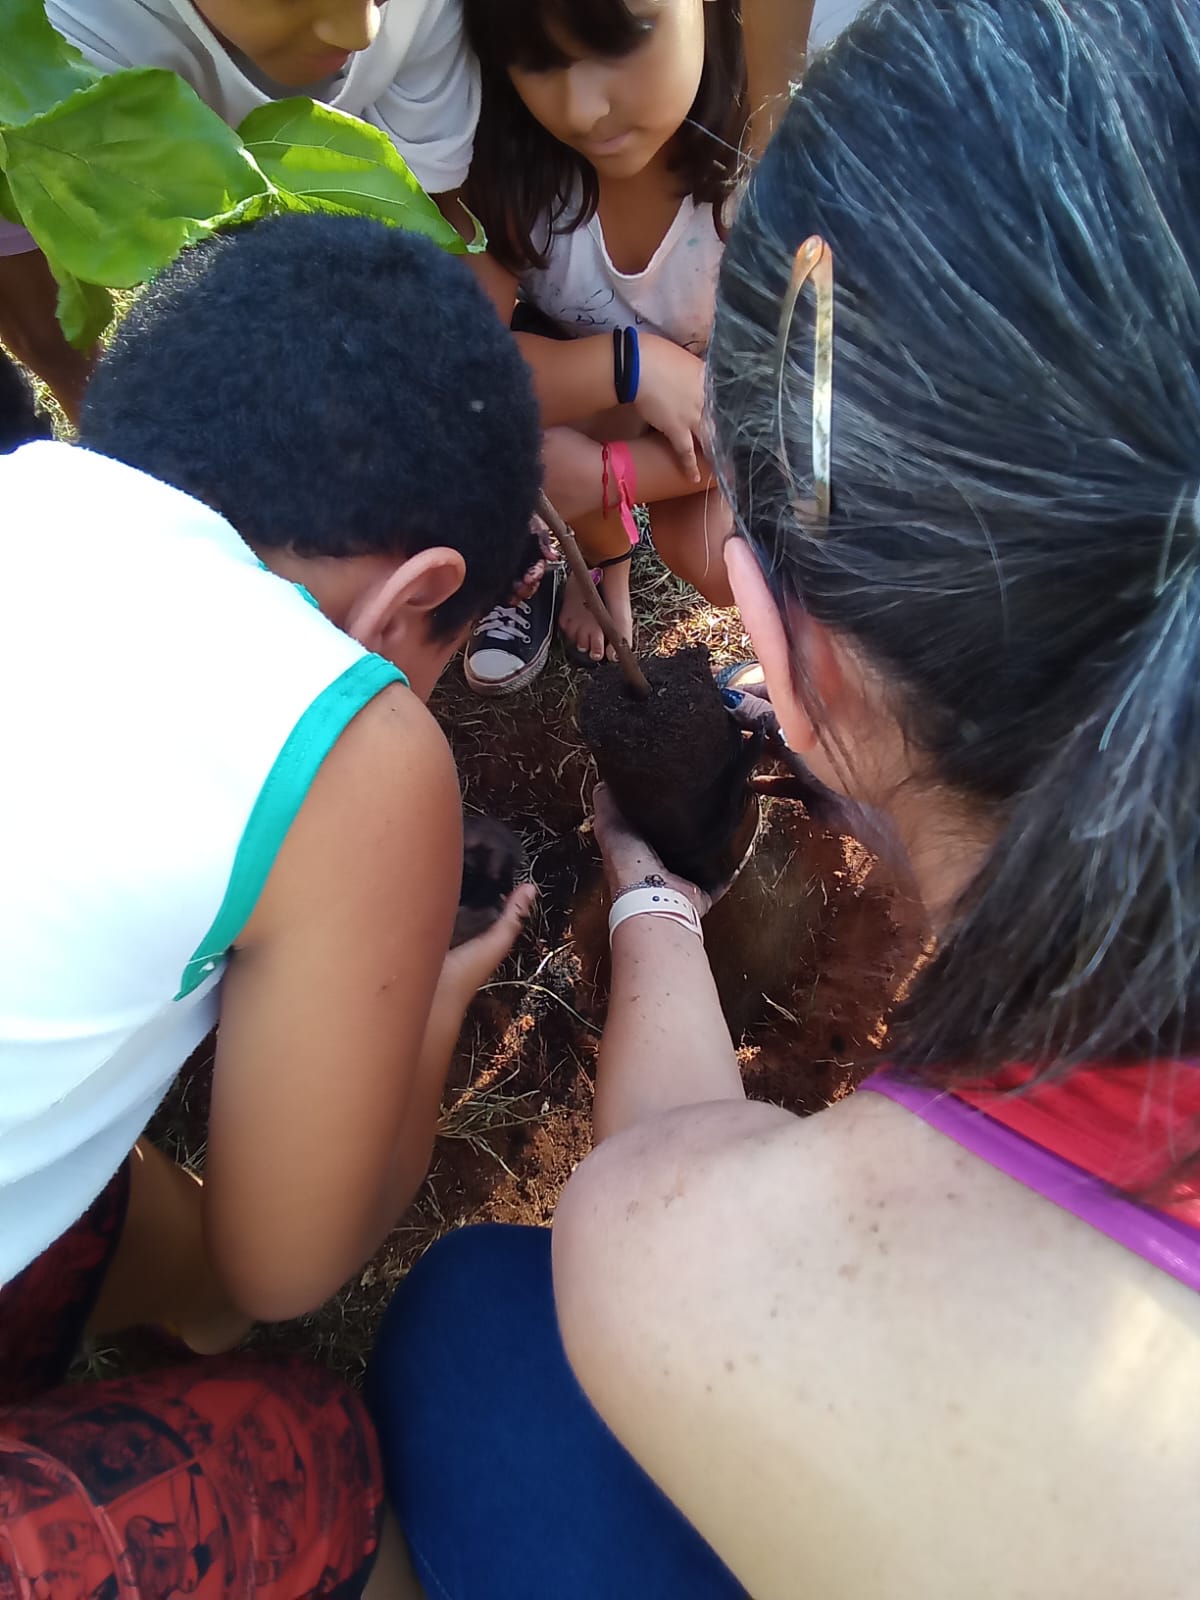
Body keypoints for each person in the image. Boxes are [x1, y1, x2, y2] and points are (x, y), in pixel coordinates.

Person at [366, 1, 1200, 1594]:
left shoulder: (727, 1284)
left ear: (782, 651)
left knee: (474, 1337)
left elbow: (661, 1195)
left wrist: (647, 894)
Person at [0, 211, 540, 1597]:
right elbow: (289, 1267)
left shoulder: (27, 494)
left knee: (106, 1201)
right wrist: (429, 1001)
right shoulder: (348, 734)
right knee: (310, 1458)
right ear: (416, 596)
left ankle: (169, 1328)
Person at [0, 0, 481, 422]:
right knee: (53, 336)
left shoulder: (418, 14)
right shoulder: (66, 31)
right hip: (82, 142)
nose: (360, 33)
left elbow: (432, 209)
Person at [457, 0, 746, 694]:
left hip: (728, 425)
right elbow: (463, 366)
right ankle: (601, 563)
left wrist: (611, 476)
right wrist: (632, 364)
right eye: (538, 61)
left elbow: (802, 419)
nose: (583, 110)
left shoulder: (764, 168)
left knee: (715, 556)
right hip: (591, 395)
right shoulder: (503, 172)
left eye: (622, 39)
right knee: (528, 436)